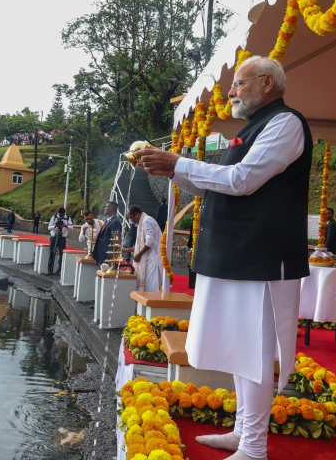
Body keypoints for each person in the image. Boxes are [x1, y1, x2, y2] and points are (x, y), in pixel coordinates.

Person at [136, 56, 311, 460]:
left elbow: (241, 180)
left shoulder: (285, 123)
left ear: (267, 83)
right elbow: (212, 186)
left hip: (260, 256)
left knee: (254, 350)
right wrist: (173, 172)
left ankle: (254, 447)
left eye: (239, 83)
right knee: (238, 347)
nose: (231, 92)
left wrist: (179, 162)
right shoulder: (251, 129)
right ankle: (243, 432)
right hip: (233, 254)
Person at [121, 205, 163, 292]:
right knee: (147, 286)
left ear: (136, 214)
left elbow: (150, 242)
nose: (131, 220)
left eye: (131, 217)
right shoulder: (143, 222)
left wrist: (139, 255)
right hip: (149, 258)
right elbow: (140, 245)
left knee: (151, 287)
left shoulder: (147, 221)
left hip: (153, 259)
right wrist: (127, 250)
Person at [93, 202, 123, 269]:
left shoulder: (115, 222)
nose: (105, 208)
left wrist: (110, 256)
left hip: (106, 256)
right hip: (101, 254)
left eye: (106, 207)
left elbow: (115, 241)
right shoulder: (108, 221)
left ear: (111, 208)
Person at [46, 207, 74, 275]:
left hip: (62, 238)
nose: (61, 216)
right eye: (60, 214)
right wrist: (55, 226)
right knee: (52, 253)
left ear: (64, 213)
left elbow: (71, 228)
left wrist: (65, 226)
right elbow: (49, 227)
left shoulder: (68, 218)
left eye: (62, 215)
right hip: (54, 237)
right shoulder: (54, 217)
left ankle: (60, 270)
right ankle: (49, 269)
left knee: (62, 254)